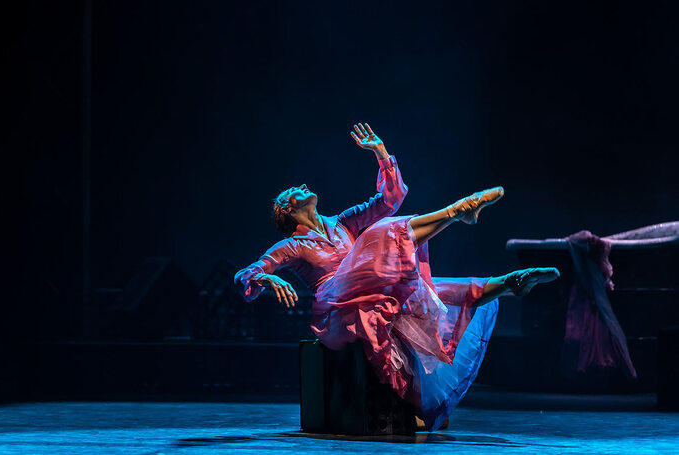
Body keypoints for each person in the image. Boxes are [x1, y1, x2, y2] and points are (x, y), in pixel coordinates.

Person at [234, 123, 559, 431]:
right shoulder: (292, 245)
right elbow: (247, 273)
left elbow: (390, 200)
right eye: (294, 191)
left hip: (371, 290)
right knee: (380, 232)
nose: (303, 186)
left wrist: (381, 152)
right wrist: (269, 279)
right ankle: (458, 210)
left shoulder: (341, 223)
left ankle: (509, 284)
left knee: (437, 293)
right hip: (337, 307)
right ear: (287, 209)